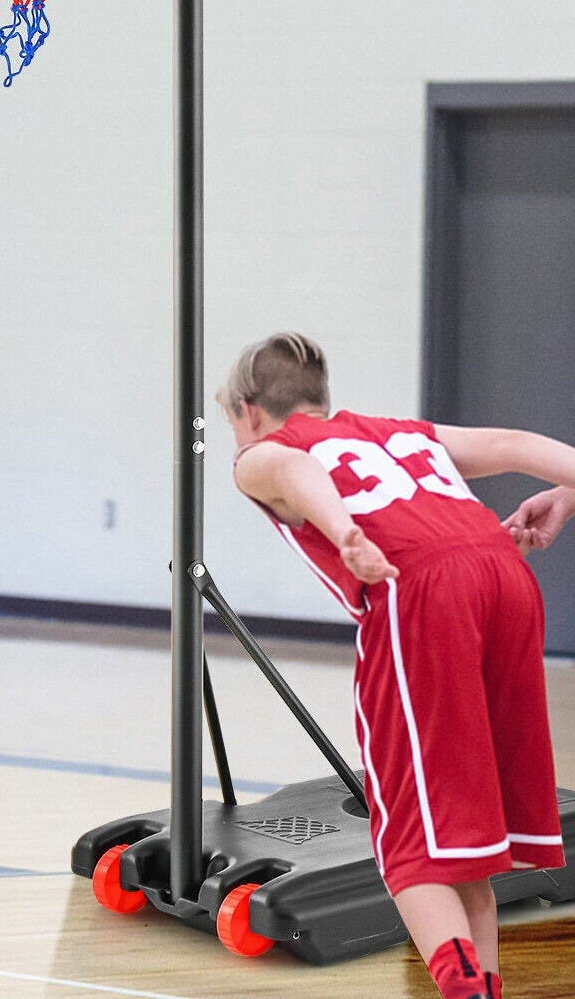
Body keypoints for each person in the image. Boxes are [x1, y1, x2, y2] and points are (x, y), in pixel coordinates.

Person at [221, 333, 573, 999]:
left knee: (408, 838)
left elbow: (298, 475)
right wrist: (569, 490)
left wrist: (342, 530)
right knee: (461, 834)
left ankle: (459, 981)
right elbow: (514, 444)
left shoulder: (259, 455)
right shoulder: (400, 433)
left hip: (420, 593)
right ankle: (485, 988)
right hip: (505, 576)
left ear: (249, 410)